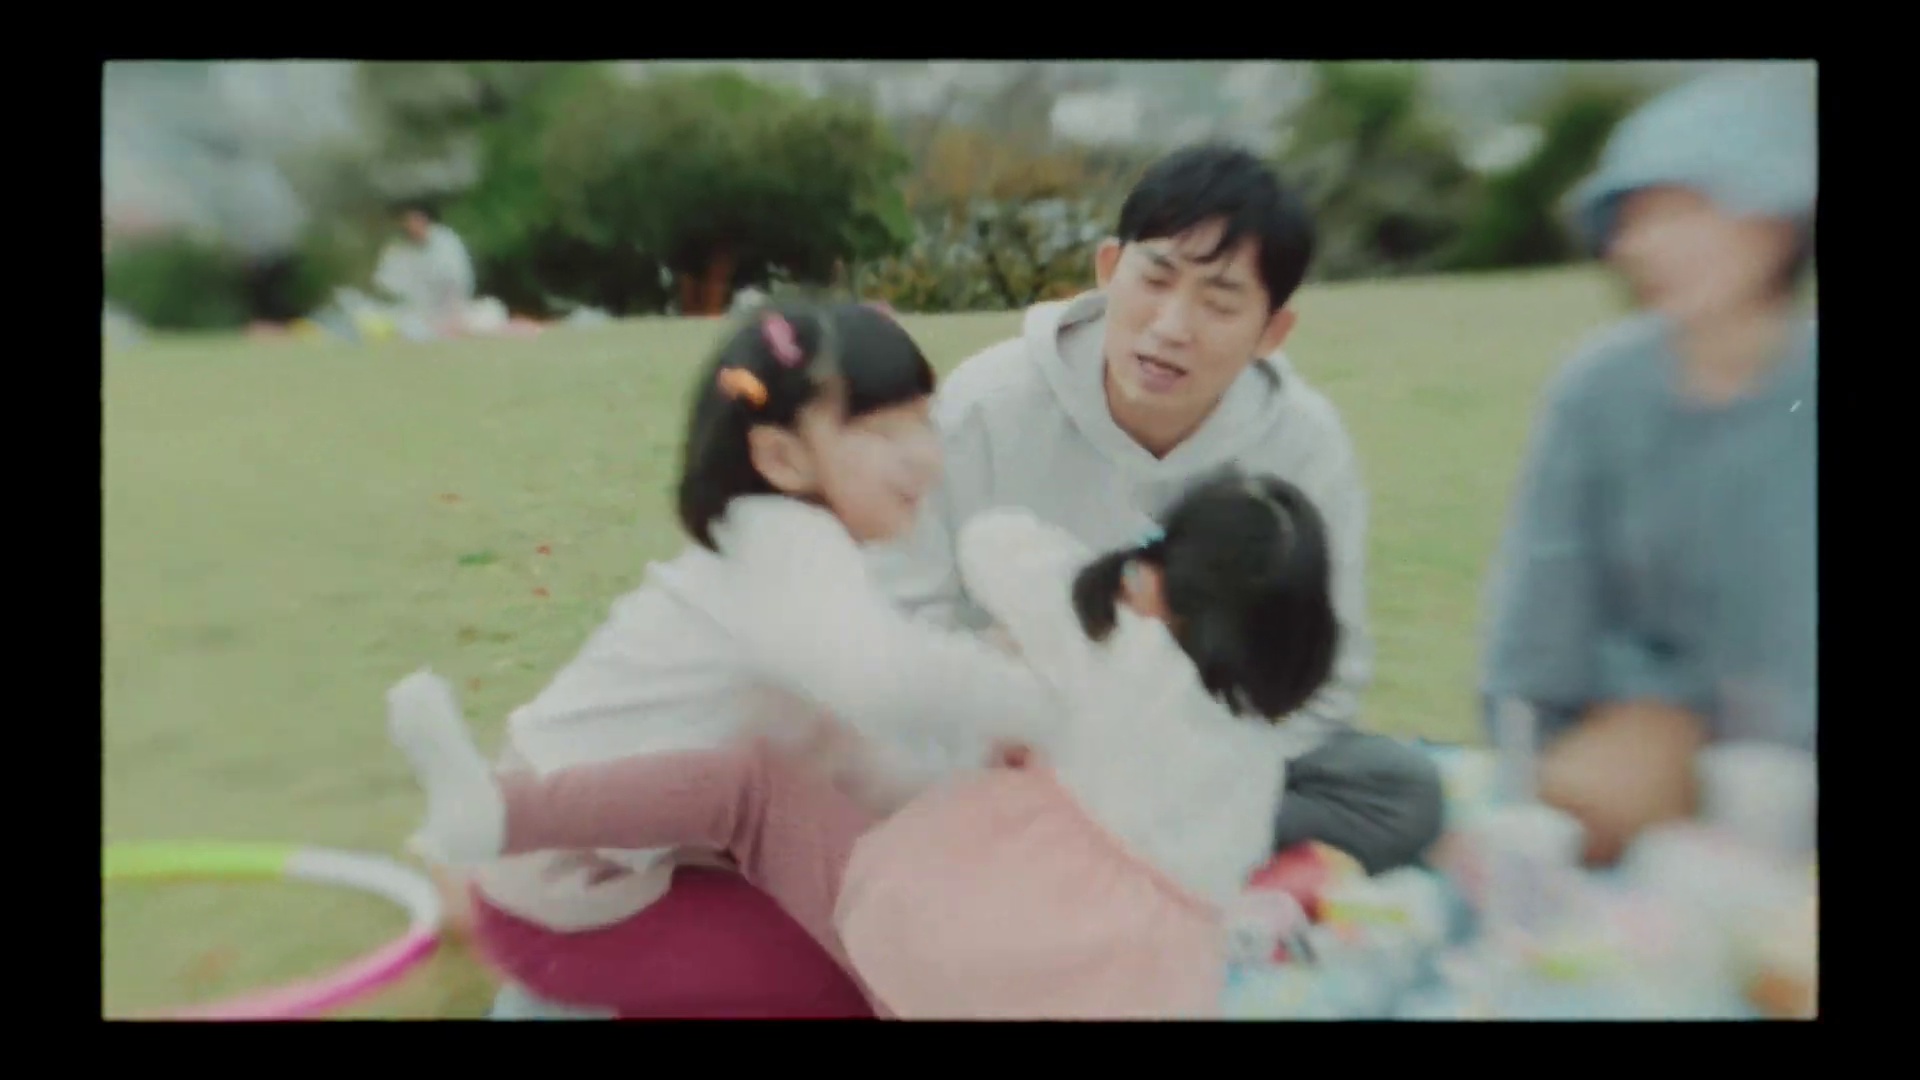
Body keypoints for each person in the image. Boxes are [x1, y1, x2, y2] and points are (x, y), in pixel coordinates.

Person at [392, 470, 1341, 1018]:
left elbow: (997, 544)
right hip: (1112, 993)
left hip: (964, 961)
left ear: (1162, 581)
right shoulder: (1253, 752)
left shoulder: (1118, 652)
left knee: (748, 789)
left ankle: (503, 814)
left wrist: (1124, 561)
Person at [437, 302, 1058, 1019]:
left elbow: (849, 763)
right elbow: (885, 680)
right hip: (568, 898)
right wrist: (1032, 699)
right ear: (781, 458)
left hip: (605, 872)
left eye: (924, 421)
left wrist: (973, 781)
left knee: (881, 939)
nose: (923, 455)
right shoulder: (783, 549)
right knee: (861, 981)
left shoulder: (793, 569)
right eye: (882, 432)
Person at [867, 143, 1444, 876]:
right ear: (1109, 268)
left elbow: (1323, 671)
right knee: (873, 772)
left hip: (1204, 758)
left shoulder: (1304, 442)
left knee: (1399, 791)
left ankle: (1108, 847)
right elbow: (904, 617)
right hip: (1019, 743)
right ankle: (1125, 851)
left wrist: (1179, 759)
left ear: (1271, 332)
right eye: (1156, 279)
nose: (1172, 326)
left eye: (1219, 303)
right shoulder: (984, 406)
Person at [1478, 67, 1817, 866]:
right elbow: (1540, 621)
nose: (1647, 245)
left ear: (1776, 226)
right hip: (1643, 745)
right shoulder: (1597, 392)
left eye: (1685, 212)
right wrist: (1537, 767)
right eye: (1635, 221)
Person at [370, 203, 508, 339]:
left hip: (451, 310)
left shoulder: (446, 241)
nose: (412, 226)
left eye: (416, 220)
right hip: (414, 313)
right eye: (408, 221)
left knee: (492, 311)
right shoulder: (397, 249)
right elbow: (386, 284)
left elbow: (457, 280)